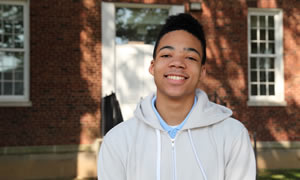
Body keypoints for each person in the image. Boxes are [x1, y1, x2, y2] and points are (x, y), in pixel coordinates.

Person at [97, 13, 256, 180]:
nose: (177, 63)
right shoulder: (117, 141)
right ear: (152, 67)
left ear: (202, 72)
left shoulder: (233, 135)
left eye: (190, 57)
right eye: (166, 55)